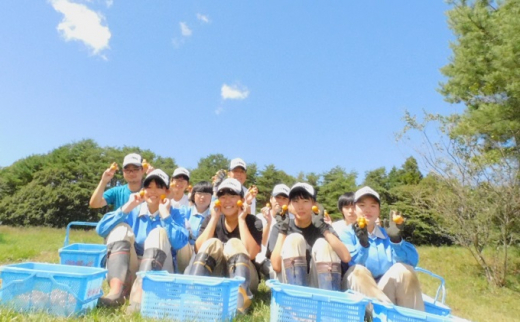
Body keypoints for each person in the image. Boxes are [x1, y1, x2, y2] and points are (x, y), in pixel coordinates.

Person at [95, 169, 191, 310]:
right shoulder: (134, 210)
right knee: (120, 229)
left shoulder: (176, 213)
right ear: (143, 190)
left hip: (161, 272)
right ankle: (116, 294)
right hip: (133, 270)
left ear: (167, 192)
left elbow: (179, 243)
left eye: (159, 187)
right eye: (148, 187)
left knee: (158, 233)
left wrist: (165, 215)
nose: (153, 191)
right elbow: (101, 230)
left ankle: (139, 298)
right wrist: (128, 207)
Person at [338, 186, 424, 310]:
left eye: (373, 206)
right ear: (355, 209)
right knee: (357, 271)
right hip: (356, 294)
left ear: (378, 211)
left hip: (383, 290)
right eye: (362, 205)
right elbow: (350, 263)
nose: (367, 210)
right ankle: (387, 313)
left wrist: (396, 241)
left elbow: (412, 262)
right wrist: (363, 245)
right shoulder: (345, 234)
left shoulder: (387, 233)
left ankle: (412, 318)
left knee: (403, 269)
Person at [185, 178, 263, 314]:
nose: (227, 201)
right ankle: (194, 295)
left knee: (234, 243)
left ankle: (240, 301)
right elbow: (199, 249)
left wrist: (241, 219)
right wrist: (214, 218)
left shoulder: (253, 221)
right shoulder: (210, 219)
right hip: (217, 274)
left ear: (242, 199)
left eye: (232, 196)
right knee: (212, 243)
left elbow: (251, 253)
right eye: (223, 196)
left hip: (247, 277)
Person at [267, 183, 351, 291]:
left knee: (323, 243)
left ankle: (328, 300)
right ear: (289, 206)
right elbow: (276, 266)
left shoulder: (323, 227)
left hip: (316, 285)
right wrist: (283, 230)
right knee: (294, 239)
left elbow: (346, 257)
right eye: (295, 201)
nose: (300, 207)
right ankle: (297, 298)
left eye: (305, 201)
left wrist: (323, 228)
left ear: (314, 204)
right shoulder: (280, 226)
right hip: (289, 285)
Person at [175, 181, 213, 273]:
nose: (202, 197)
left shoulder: (214, 215)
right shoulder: (184, 211)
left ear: (212, 197)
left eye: (206, 194)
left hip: (205, 253)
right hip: (185, 251)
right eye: (199, 193)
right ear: (193, 195)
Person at [255, 184, 290, 277]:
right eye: (277, 197)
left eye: (284, 198)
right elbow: (260, 245)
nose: (280, 201)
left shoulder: (292, 220)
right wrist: (268, 222)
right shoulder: (259, 217)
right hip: (262, 259)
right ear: (271, 199)